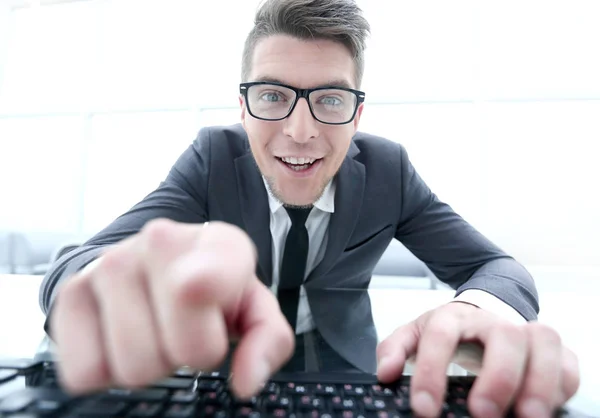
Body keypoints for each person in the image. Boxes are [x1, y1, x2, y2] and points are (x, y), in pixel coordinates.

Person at [39, 0, 580, 417]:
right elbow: (82, 260)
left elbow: (498, 268)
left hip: (351, 377)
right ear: (243, 107)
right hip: (229, 374)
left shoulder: (388, 171)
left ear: (357, 112)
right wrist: (107, 286)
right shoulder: (213, 158)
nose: (301, 133)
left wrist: (477, 311)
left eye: (330, 99)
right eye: (273, 96)